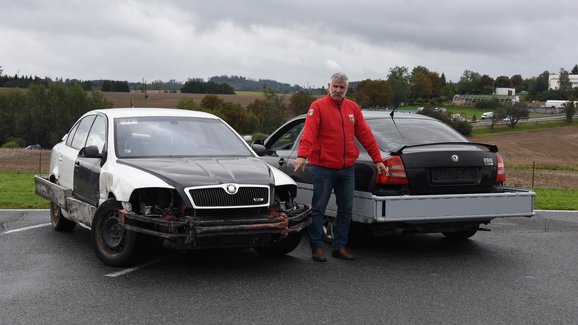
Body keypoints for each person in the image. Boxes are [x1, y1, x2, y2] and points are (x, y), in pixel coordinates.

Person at [293, 72, 386, 262]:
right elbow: (309, 133)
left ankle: (340, 246)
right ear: (328, 86)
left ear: (346, 89)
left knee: (346, 209)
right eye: (335, 86)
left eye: (342, 87)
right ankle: (317, 248)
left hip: (346, 169)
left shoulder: (353, 108)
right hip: (323, 167)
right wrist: (302, 155)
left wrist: (378, 159)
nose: (338, 90)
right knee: (319, 208)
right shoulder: (317, 106)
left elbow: (366, 135)